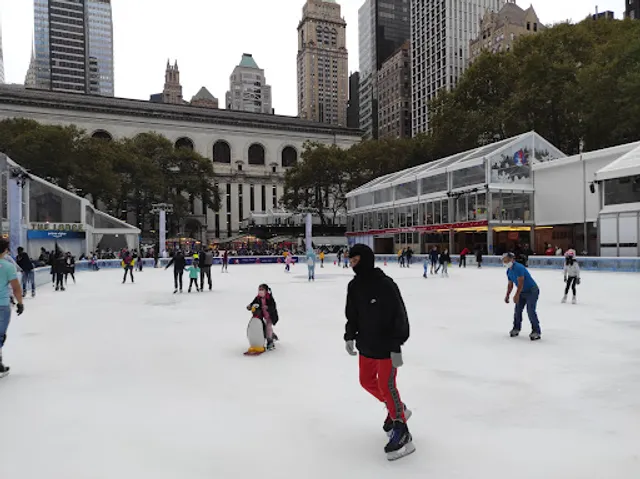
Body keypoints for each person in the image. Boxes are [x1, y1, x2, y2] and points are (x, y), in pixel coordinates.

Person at [344, 244, 414, 461]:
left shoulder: (385, 285)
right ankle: (397, 407)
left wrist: (397, 344)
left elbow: (400, 314)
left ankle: (401, 429)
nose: (352, 265)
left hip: (387, 346)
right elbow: (352, 314)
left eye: (355, 261)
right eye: (351, 261)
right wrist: (349, 335)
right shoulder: (354, 286)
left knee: (387, 385)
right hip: (366, 344)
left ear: (364, 260)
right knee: (366, 382)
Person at [0, 239, 25, 377]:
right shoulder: (8, 266)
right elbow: (16, 288)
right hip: (2, 305)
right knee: (0, 335)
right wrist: (20, 303)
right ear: (5, 250)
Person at [503, 252, 541, 341]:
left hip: (532, 290)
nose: (505, 263)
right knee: (517, 311)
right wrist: (507, 295)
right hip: (522, 292)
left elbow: (521, 283)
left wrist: (516, 295)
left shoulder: (519, 267)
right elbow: (510, 284)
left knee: (530, 310)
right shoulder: (509, 271)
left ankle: (536, 331)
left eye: (506, 260)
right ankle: (516, 328)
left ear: (512, 260)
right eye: (504, 261)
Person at [247, 284, 279, 351]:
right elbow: (253, 303)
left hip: (270, 316)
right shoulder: (258, 298)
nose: (260, 291)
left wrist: (268, 307)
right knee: (263, 327)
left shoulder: (269, 298)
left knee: (268, 326)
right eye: (259, 290)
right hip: (262, 315)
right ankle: (271, 335)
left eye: (262, 290)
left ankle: (270, 341)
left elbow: (273, 306)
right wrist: (250, 306)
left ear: (266, 291)